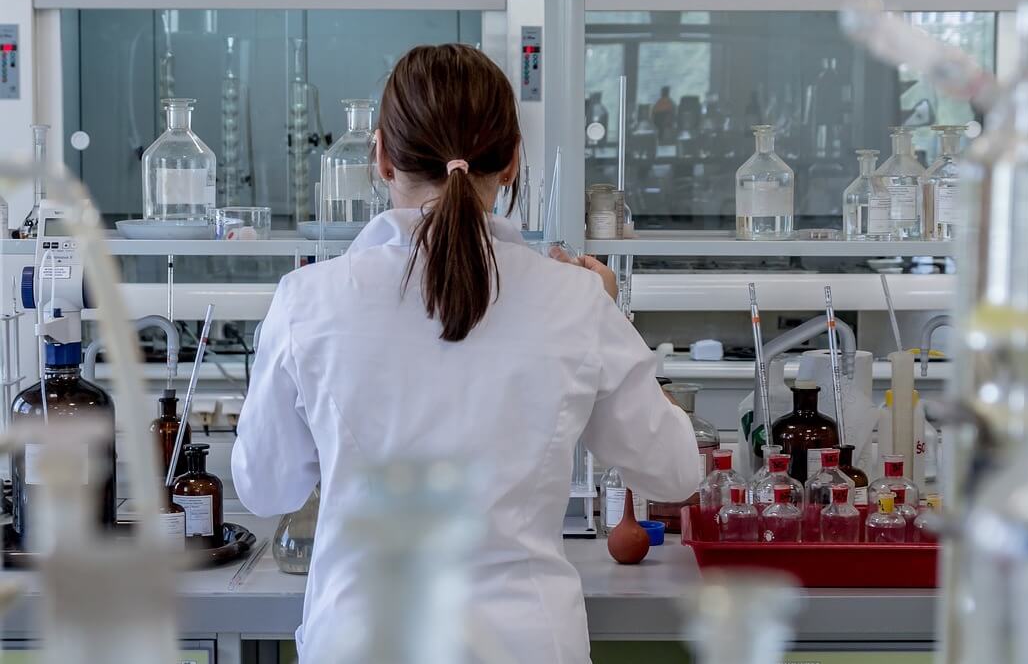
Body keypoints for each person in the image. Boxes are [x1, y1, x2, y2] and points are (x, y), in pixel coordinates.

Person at [232, 44, 703, 663]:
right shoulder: (576, 301)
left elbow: (265, 490)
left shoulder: (308, 301)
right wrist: (614, 317)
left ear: (381, 156)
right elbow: (674, 472)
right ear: (510, 161)